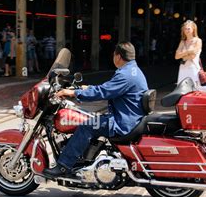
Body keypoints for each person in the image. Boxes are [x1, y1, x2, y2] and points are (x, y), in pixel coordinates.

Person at [43, 42, 148, 178]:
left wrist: (73, 93)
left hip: (122, 122)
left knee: (87, 125)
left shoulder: (125, 74)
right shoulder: (133, 70)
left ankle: (63, 166)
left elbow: (103, 92)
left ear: (118, 56)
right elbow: (109, 88)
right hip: (129, 118)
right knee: (92, 119)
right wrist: (86, 88)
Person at [175, 20, 202, 86]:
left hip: (193, 67)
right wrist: (188, 52)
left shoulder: (198, 40)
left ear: (193, 29)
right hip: (183, 67)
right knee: (182, 88)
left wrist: (182, 54)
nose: (187, 30)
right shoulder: (182, 41)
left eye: (188, 28)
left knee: (194, 87)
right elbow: (176, 56)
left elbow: (193, 55)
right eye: (185, 29)